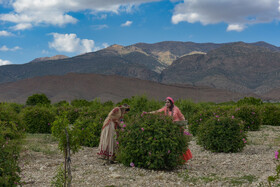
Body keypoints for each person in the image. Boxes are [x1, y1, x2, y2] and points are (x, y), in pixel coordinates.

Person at [145, 97, 192, 163]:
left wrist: (183, 123)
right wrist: (148, 113)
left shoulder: (176, 109)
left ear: (171, 103)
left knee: (178, 142)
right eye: (166, 102)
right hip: (169, 128)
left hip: (177, 128)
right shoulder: (165, 109)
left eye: (168, 102)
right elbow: (157, 112)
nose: (166, 104)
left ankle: (182, 159)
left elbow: (181, 117)